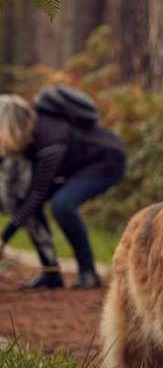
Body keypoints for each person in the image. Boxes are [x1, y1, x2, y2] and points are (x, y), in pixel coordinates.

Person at [0, 92, 126, 290]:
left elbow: (37, 193)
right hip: (81, 167)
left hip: (107, 161)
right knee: (32, 204)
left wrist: (4, 238)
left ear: (10, 127)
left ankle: (88, 272)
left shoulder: (49, 141)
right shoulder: (30, 139)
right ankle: (51, 273)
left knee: (62, 205)